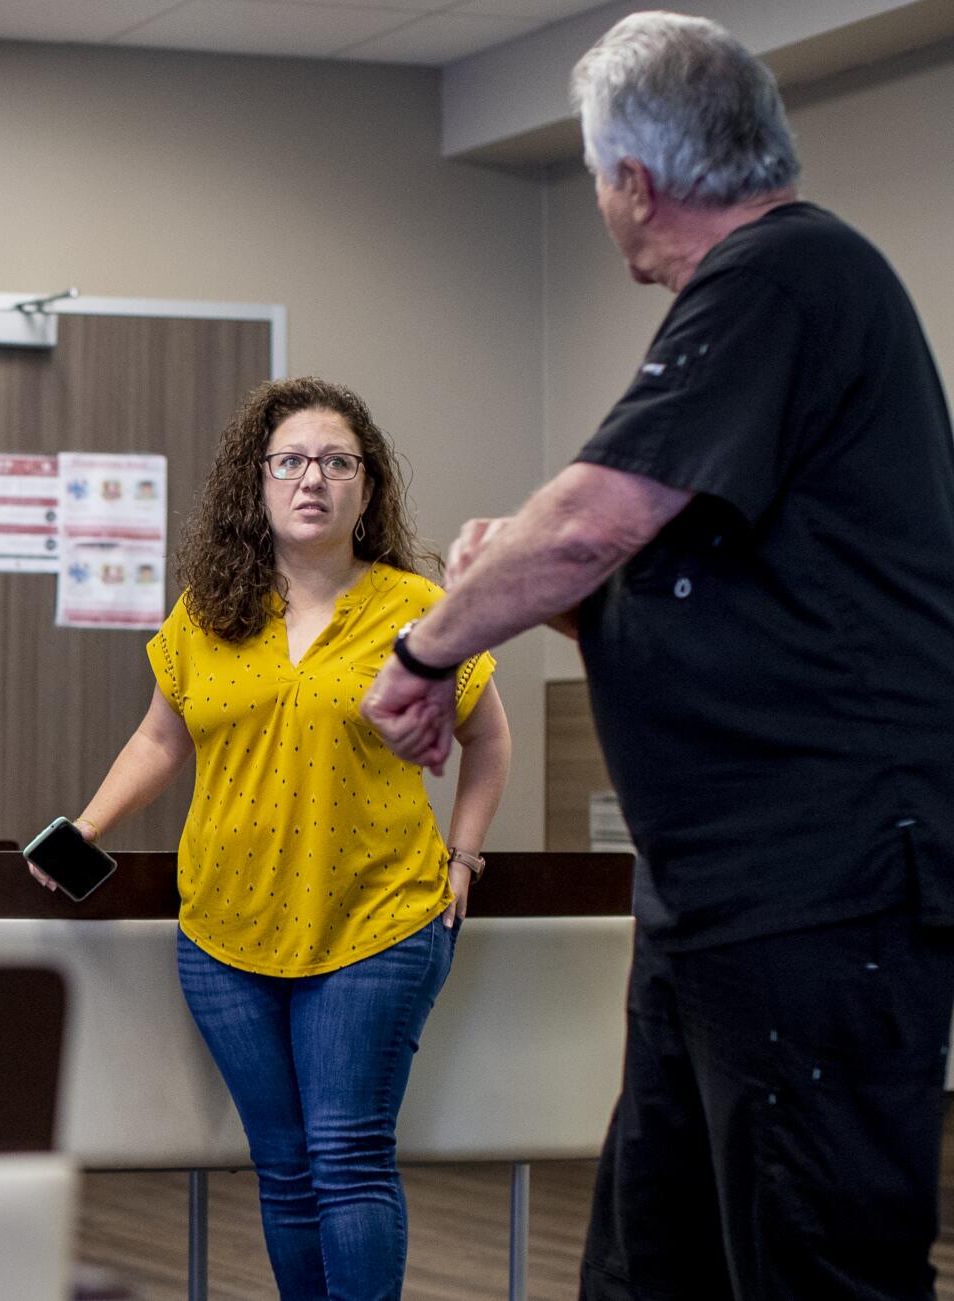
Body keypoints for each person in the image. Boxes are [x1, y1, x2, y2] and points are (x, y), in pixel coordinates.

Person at [362, 13, 954, 1299]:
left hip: (820, 885)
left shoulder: (784, 279)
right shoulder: (766, 304)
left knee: (815, 1263)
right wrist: (512, 587)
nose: (594, 199)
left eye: (589, 175)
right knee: (651, 1259)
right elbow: (655, 587)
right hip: (715, 898)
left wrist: (421, 649)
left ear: (630, 180)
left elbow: (586, 521)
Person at [40, 377, 511, 1298]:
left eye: (338, 463)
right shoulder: (210, 610)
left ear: (367, 489)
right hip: (226, 930)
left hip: (378, 919)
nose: (313, 480)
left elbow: (487, 733)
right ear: (255, 484)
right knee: (286, 1167)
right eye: (290, 461)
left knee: (349, 1157)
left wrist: (464, 852)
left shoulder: (418, 607)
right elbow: (159, 738)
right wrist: (84, 827)